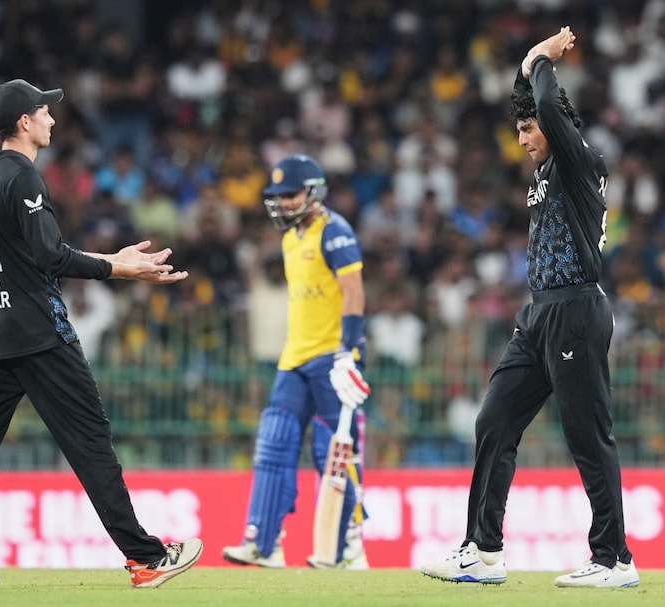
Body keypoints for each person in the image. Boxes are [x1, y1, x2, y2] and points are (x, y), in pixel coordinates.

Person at [0, 79, 201, 590]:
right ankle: (144, 557)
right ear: (24, 122)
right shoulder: (23, 178)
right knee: (91, 440)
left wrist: (114, 259)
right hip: (39, 334)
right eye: (44, 112)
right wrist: (118, 270)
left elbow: (16, 258)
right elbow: (49, 256)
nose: (51, 119)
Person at [419, 27, 640, 589]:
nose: (522, 138)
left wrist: (538, 58)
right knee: (494, 420)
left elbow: (545, 100)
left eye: (528, 129)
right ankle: (483, 551)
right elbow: (533, 101)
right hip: (538, 314)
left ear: (556, 126)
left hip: (576, 310)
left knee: (587, 435)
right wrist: (525, 73)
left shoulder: (577, 160)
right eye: (518, 130)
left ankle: (614, 558)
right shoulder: (544, 172)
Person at [221, 154, 371, 570]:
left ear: (314, 191)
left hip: (332, 359)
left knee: (335, 453)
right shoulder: (289, 239)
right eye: (279, 196)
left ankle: (348, 546)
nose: (284, 203)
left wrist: (347, 352)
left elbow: (354, 295)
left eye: (291, 194)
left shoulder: (335, 232)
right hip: (294, 359)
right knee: (274, 443)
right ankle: (264, 544)